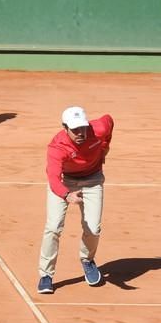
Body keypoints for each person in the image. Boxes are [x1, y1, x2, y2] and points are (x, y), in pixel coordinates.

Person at [37, 106, 114, 294]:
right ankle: (46, 274)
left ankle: (87, 260)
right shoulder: (57, 147)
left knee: (93, 228)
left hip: (93, 180)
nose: (81, 133)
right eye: (75, 129)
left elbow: (109, 121)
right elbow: (54, 179)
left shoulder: (99, 129)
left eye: (83, 128)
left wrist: (104, 148)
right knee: (54, 227)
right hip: (65, 181)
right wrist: (67, 194)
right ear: (65, 128)